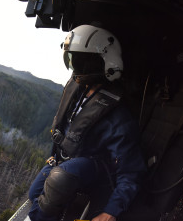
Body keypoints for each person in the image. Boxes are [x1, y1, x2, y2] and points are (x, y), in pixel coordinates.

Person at [28, 24, 146, 221]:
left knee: (59, 181)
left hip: (98, 172)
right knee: (35, 195)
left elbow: (131, 171)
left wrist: (111, 212)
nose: (76, 68)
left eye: (83, 61)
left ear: (105, 63)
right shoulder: (79, 93)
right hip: (68, 163)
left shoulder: (118, 117)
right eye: (74, 60)